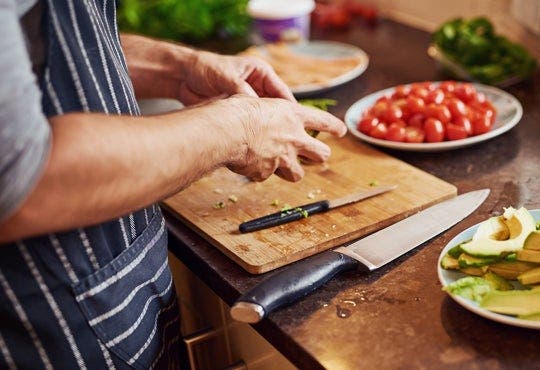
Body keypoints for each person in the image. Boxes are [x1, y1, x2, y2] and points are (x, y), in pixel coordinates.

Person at [0, 0, 347, 368]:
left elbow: (39, 48)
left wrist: (178, 69)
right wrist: (237, 130)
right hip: (46, 333)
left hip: (111, 296)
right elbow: (22, 180)